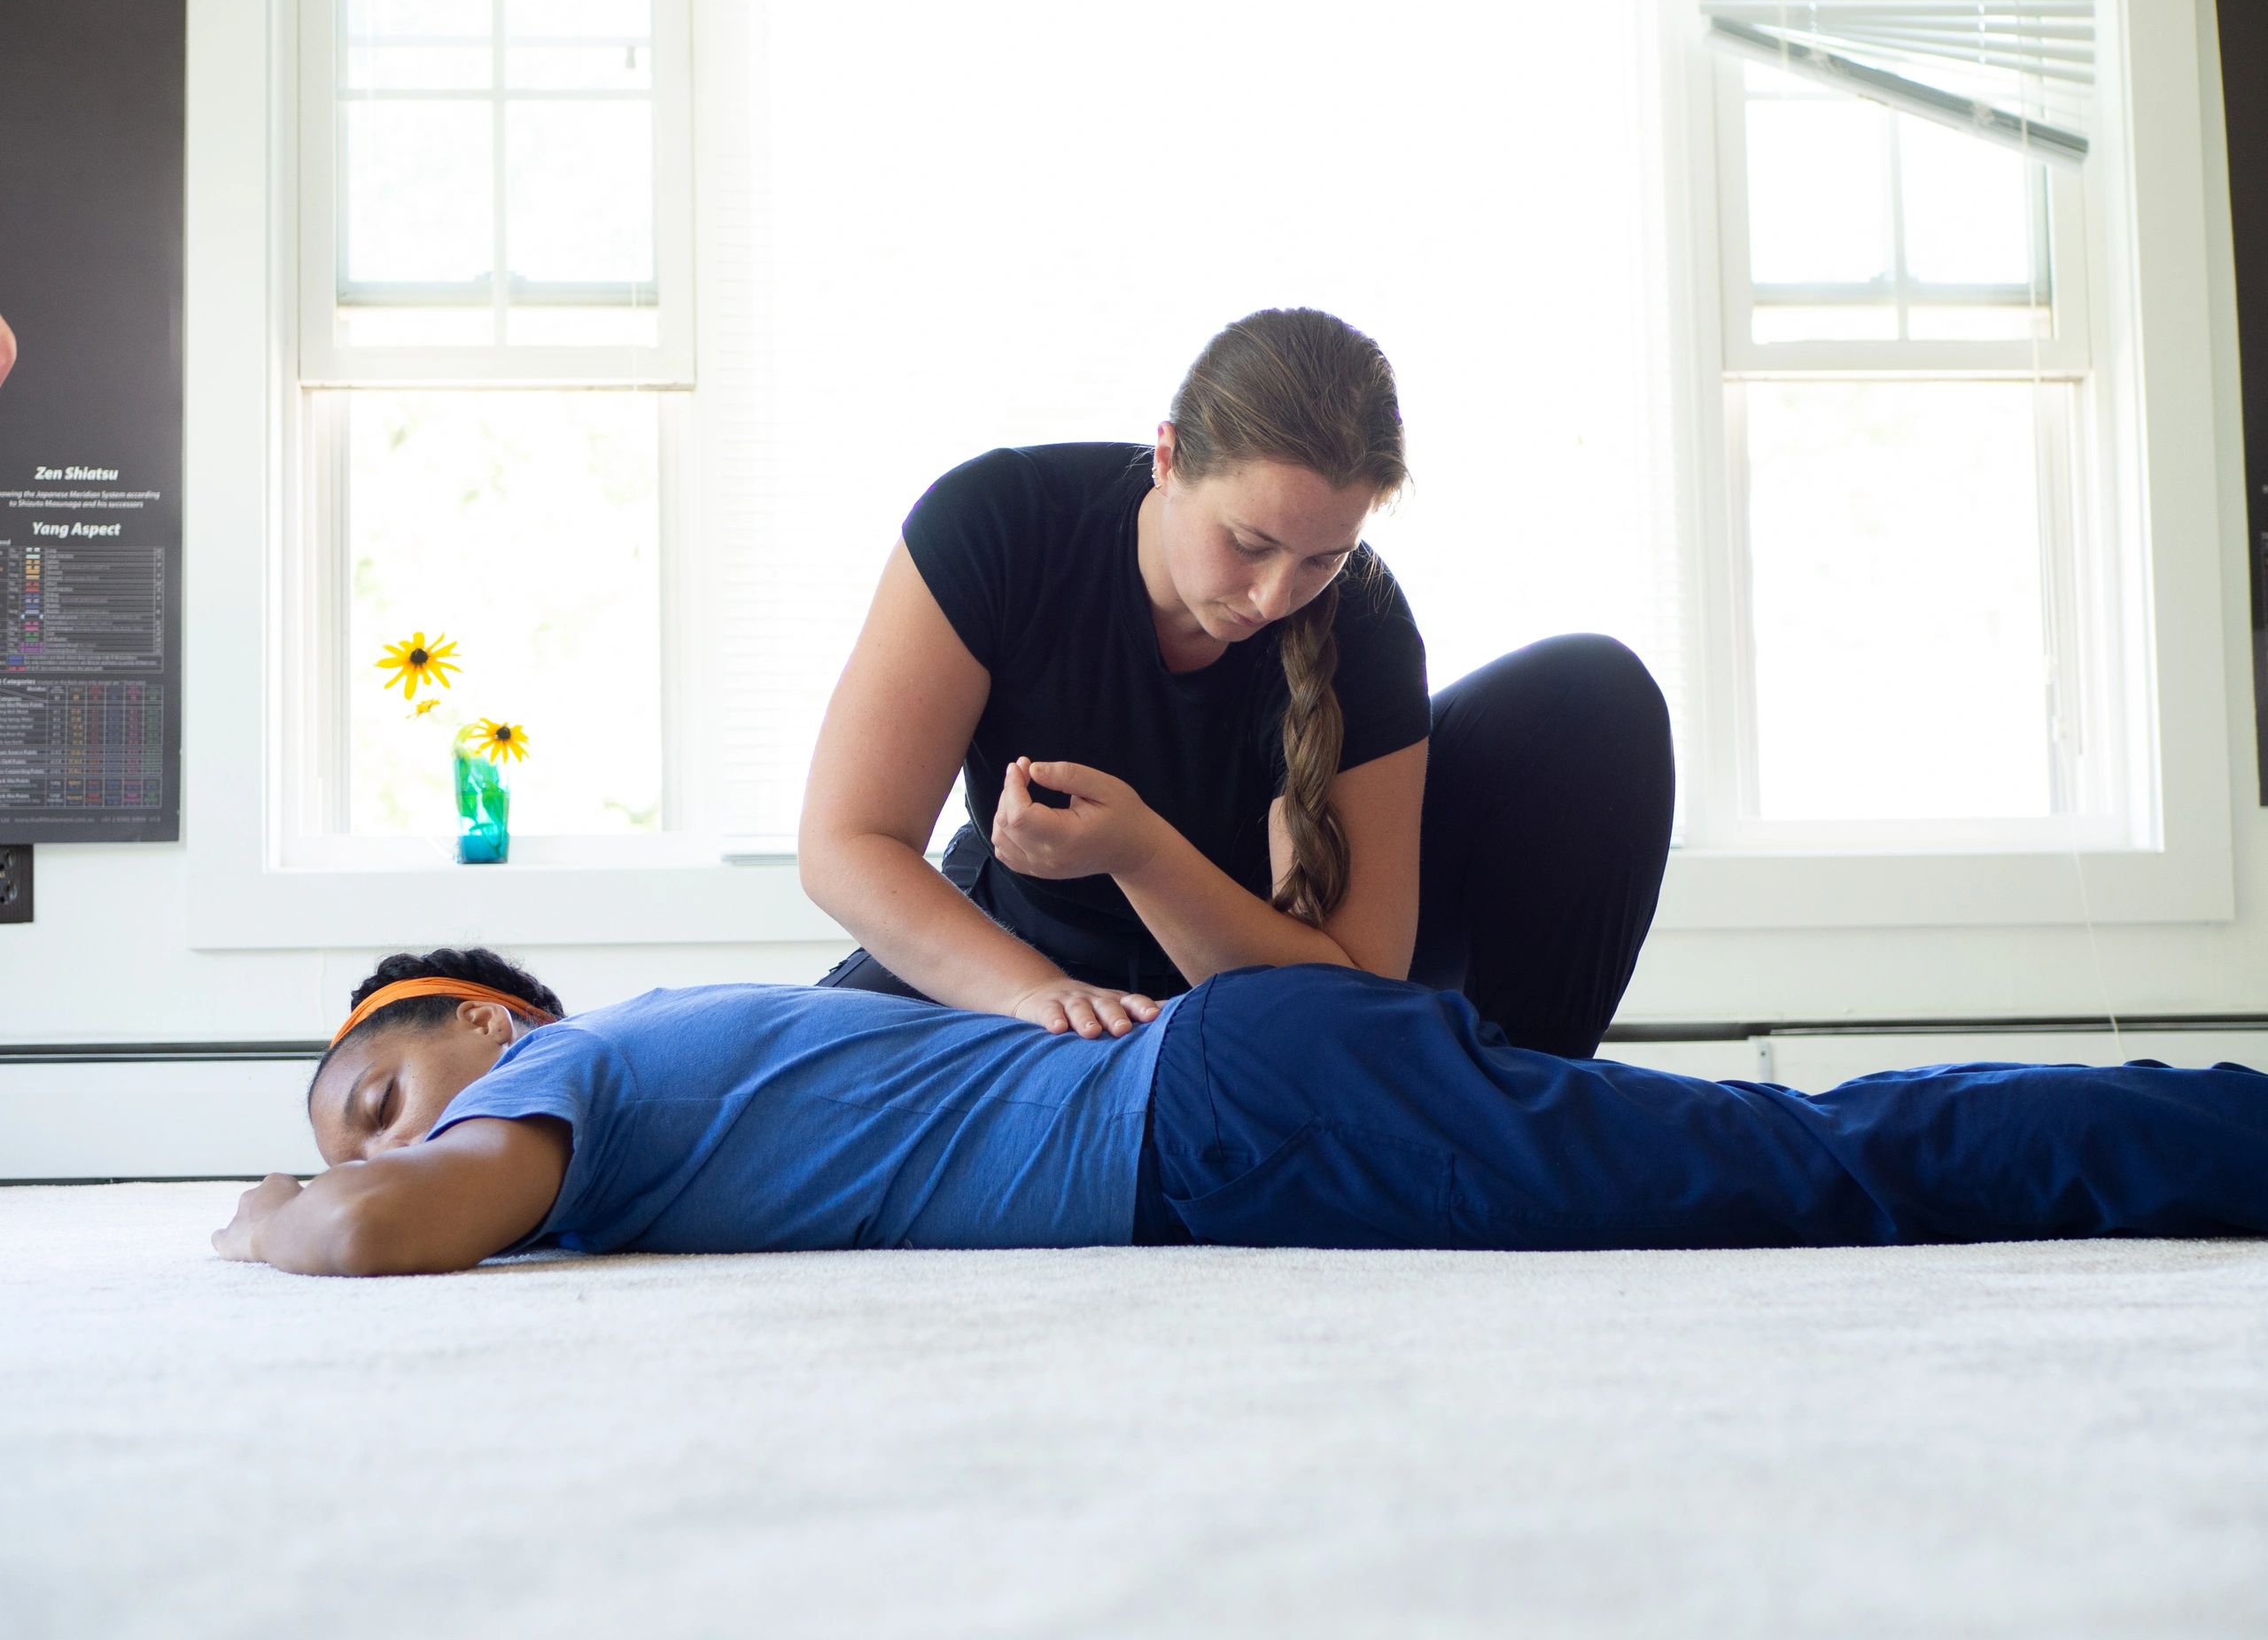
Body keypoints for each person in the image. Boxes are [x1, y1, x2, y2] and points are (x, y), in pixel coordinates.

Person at [214, 947, 2268, 1277]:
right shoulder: (643, 1062)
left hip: (1224, 1111)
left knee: (1814, 1180)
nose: (375, 1144)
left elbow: (389, 1228)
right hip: (1243, 1088)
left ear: (489, 1016)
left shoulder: (570, 1073)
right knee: (1800, 1148)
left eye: (377, 1090)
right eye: (346, 1135)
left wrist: (273, 1219)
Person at [798, 307, 1674, 1060]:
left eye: (1323, 559)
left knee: (1592, 694)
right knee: (751, 1095)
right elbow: (847, 845)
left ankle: (1520, 1118)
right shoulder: (999, 523)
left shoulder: (1361, 624)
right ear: (1168, 459)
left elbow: (1353, 989)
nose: (1273, 596)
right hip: (1011, 948)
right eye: (1249, 544)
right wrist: (1036, 993)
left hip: (1253, 984)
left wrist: (1141, 854)